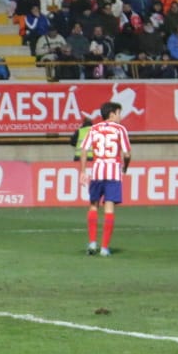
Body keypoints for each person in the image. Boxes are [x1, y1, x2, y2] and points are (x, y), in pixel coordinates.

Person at [78, 101, 131, 256]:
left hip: (97, 173)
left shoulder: (93, 129)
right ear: (112, 114)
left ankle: (93, 243)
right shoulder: (120, 129)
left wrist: (82, 171)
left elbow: (84, 150)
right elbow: (127, 154)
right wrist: (125, 167)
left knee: (93, 206)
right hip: (113, 173)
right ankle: (104, 248)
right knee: (109, 209)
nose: (121, 117)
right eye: (119, 113)